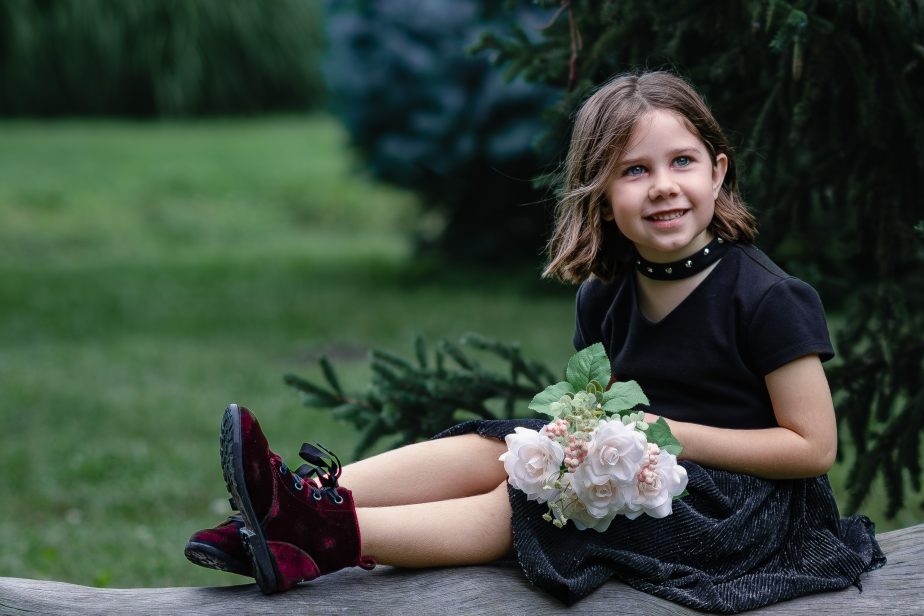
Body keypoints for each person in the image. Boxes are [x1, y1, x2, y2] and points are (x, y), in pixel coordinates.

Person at [184, 70, 884, 613]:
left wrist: (669, 436)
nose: (664, 187)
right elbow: (595, 414)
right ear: (601, 192)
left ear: (718, 172)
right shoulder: (605, 294)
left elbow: (813, 449)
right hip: (643, 471)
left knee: (531, 498)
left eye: (683, 162)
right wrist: (579, 440)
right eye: (635, 171)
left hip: (740, 513)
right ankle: (289, 501)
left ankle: (322, 537)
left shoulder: (766, 297)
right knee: (502, 444)